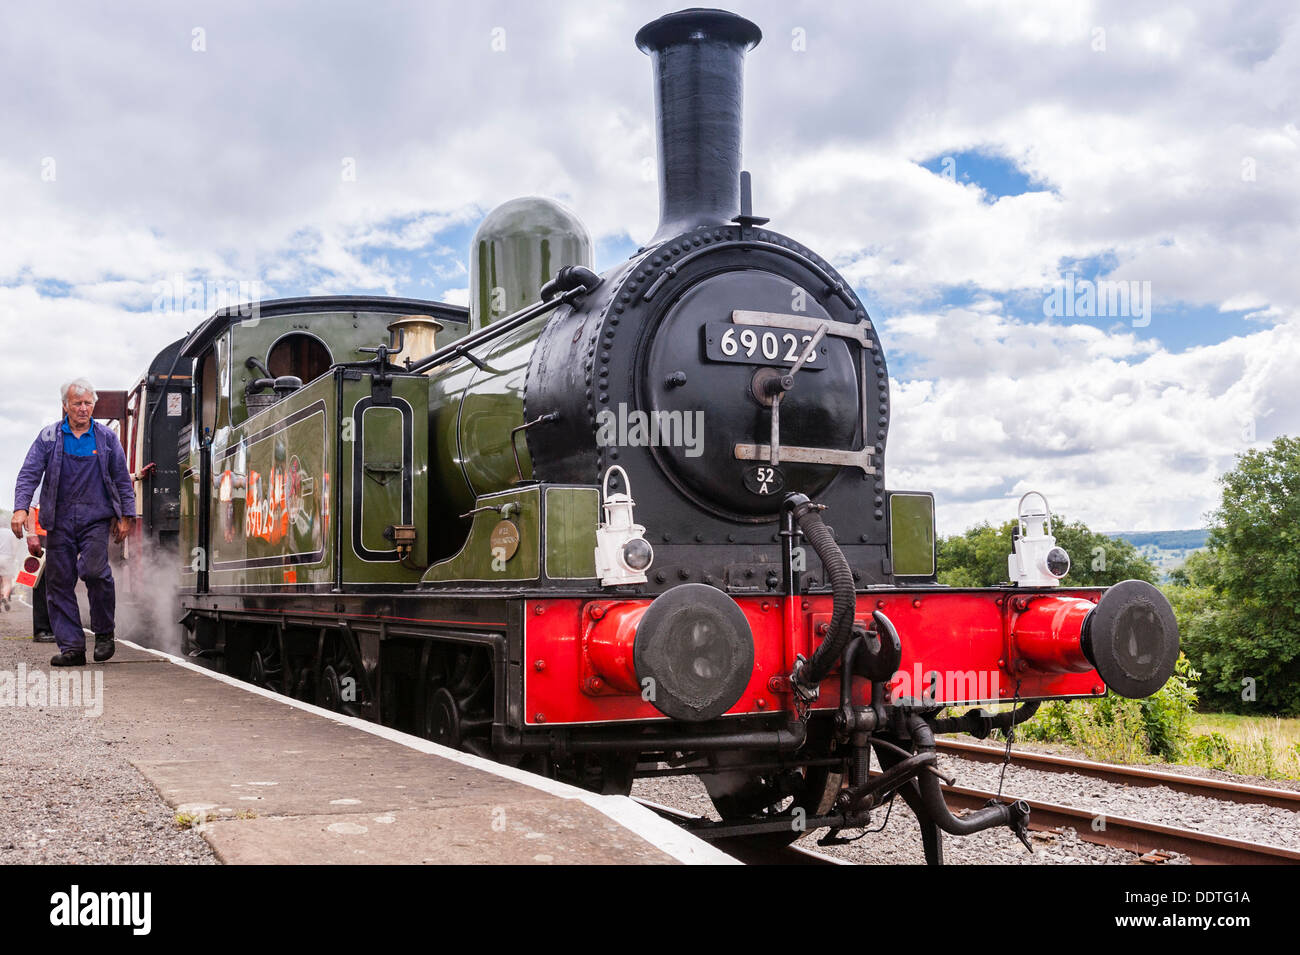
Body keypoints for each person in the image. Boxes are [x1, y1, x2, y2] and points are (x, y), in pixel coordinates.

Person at [11, 379, 136, 666]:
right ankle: (72, 648)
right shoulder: (49, 437)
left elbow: (121, 477)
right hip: (59, 519)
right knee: (59, 582)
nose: (83, 408)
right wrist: (20, 509)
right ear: (65, 406)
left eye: (88, 403)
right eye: (77, 403)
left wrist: (126, 516)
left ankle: (104, 633)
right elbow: (29, 473)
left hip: (95, 518)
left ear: (94, 405)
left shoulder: (106, 438)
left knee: (95, 571)